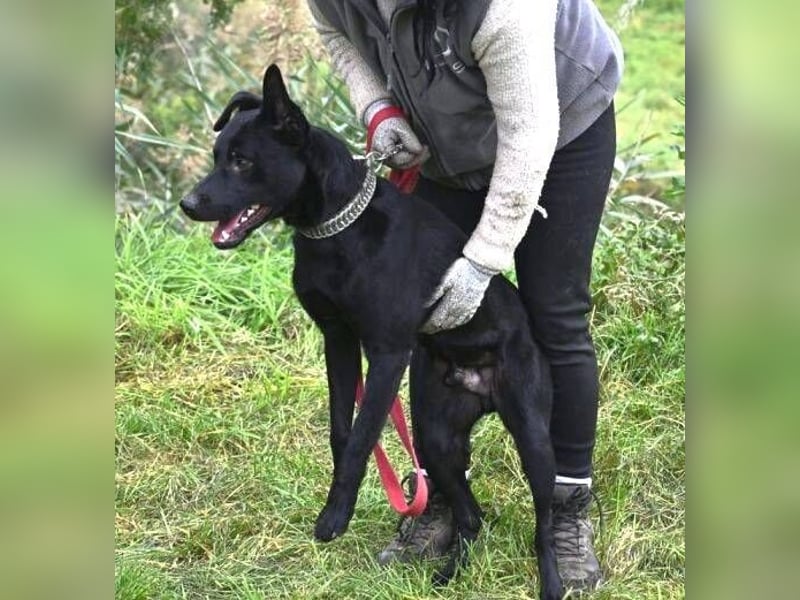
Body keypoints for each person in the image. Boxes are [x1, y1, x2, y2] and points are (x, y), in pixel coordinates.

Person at [306, 0, 623, 593]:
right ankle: (444, 498)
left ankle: (564, 512)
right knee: (431, 316)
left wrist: (483, 259)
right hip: (444, 142)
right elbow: (338, 35)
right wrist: (378, 110)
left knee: (555, 315)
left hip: (558, 127)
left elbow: (529, 135)